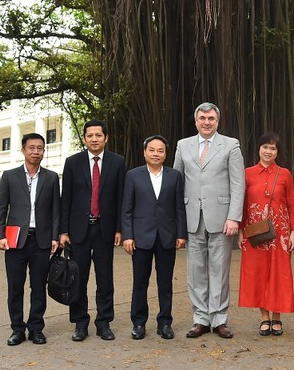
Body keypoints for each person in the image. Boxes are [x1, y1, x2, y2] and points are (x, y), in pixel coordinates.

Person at [173, 102, 245, 339]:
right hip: (192, 217)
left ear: (217, 121)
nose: (206, 122)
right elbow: (176, 182)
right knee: (196, 271)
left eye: (211, 118)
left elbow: (238, 183)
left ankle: (219, 319)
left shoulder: (231, 145)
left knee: (220, 270)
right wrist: (178, 220)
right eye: (202, 118)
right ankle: (200, 319)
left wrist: (234, 216)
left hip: (222, 218)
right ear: (196, 121)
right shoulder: (183, 146)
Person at [60, 120, 127, 342]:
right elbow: (66, 198)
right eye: (90, 135)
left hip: (105, 230)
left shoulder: (117, 162)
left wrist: (119, 228)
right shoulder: (72, 163)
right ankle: (80, 323)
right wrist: (63, 230)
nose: (94, 139)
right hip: (78, 230)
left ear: (105, 138)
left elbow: (121, 198)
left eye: (99, 135)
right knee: (77, 278)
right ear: (85, 138)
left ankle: (104, 322)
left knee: (105, 279)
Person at [0, 133, 60, 346]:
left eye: (40, 148)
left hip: (40, 241)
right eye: (31, 148)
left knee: (39, 286)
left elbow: (55, 211)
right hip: (15, 241)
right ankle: (17, 330)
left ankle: (36, 329)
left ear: (43, 151)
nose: (35, 152)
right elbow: (1, 207)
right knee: (15, 286)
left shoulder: (51, 177)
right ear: (23, 150)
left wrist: (55, 237)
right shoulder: (10, 176)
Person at [121, 135, 187, 340]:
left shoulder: (174, 176)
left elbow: (179, 207)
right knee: (140, 281)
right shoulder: (133, 175)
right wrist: (128, 236)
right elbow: (126, 209)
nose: (156, 154)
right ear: (144, 152)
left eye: (160, 150)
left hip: (166, 236)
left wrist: (181, 234)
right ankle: (138, 323)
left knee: (165, 282)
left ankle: (165, 322)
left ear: (165, 154)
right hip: (140, 237)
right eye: (152, 150)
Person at [238, 132, 294, 336]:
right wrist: (240, 231)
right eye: (265, 147)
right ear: (258, 149)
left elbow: (292, 203)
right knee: (258, 274)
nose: (268, 151)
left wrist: (293, 232)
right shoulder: (247, 173)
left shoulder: (285, 174)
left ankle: (277, 317)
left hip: (280, 233)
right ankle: (264, 317)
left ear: (277, 152)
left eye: (273, 148)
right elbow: (242, 205)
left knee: (280, 274)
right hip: (255, 233)